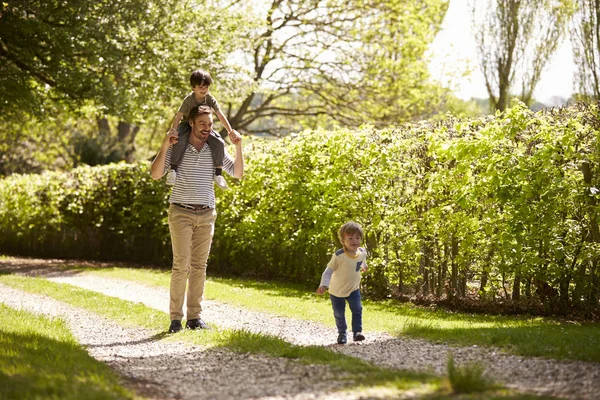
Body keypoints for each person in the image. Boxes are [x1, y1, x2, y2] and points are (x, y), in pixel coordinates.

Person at [150, 104, 244, 333]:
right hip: (180, 212)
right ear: (191, 123)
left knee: (199, 267)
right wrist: (164, 145)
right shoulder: (178, 148)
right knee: (181, 266)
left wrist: (239, 147)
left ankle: (194, 318)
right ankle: (175, 319)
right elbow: (155, 174)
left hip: (206, 213)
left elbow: (239, 173)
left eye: (210, 124)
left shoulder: (215, 149)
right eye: (202, 123)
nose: (207, 128)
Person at [167, 69, 241, 190]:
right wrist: (173, 130)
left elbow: (220, 115)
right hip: (187, 124)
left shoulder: (210, 99)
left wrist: (230, 130)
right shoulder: (189, 99)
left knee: (219, 142)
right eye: (200, 87)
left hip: (204, 126)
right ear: (193, 88)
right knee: (180, 141)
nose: (203, 90)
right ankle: (173, 169)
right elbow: (179, 116)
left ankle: (218, 173)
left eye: (206, 87)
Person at [316, 221, 368, 344]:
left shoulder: (361, 252)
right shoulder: (339, 256)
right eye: (350, 238)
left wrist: (364, 266)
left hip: (353, 289)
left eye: (357, 238)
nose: (354, 241)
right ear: (343, 240)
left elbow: (361, 261)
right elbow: (328, 272)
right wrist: (323, 285)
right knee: (339, 313)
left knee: (357, 309)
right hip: (336, 291)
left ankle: (357, 332)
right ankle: (342, 333)